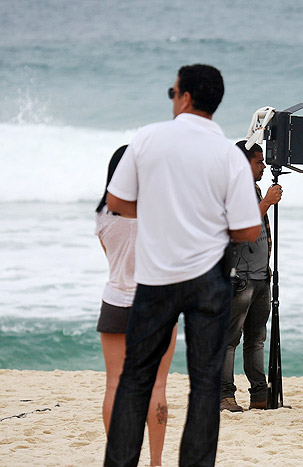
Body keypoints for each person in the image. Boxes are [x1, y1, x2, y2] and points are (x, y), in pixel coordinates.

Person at [104, 64, 261, 466]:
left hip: (156, 278)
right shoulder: (229, 153)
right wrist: (207, 221)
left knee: (135, 381)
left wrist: (159, 211)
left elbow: (118, 204)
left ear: (185, 96)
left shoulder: (148, 138)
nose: (171, 98)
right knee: (205, 385)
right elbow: (247, 230)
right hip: (208, 279)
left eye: (172, 91)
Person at [95, 146, 177, 467]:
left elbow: (112, 260)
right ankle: (156, 462)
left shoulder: (102, 217)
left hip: (115, 301)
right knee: (156, 384)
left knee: (115, 383)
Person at [220, 141, 282, 412]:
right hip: (241, 276)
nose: (264, 166)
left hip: (259, 275)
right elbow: (239, 224)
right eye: (259, 162)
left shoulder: (253, 188)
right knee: (230, 340)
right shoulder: (231, 189)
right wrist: (267, 202)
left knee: (256, 338)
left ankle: (259, 395)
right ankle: (225, 395)